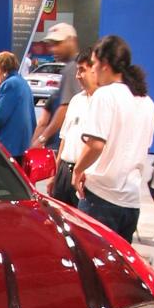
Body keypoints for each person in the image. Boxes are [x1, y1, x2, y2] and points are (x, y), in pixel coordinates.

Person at [72, 35, 154, 243]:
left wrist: (78, 170)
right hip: (131, 203)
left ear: (105, 65)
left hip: (101, 199)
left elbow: (95, 144)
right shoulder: (146, 101)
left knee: (89, 258)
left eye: (94, 64)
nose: (93, 70)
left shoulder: (105, 95)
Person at [45, 48, 98, 207]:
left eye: (82, 70)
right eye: (77, 70)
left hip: (85, 175)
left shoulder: (103, 103)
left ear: (95, 69)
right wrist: (54, 174)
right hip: (64, 172)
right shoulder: (76, 100)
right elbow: (64, 139)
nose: (77, 76)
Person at [35, 22, 81, 145]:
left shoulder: (73, 68)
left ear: (72, 41)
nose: (53, 49)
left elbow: (65, 108)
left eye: (58, 44)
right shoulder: (73, 66)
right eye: (51, 45)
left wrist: (41, 139)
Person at [0, 51, 36, 163]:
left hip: (9, 143)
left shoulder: (10, 84)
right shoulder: (22, 82)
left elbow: (0, 115)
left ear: (2, 67)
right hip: (22, 142)